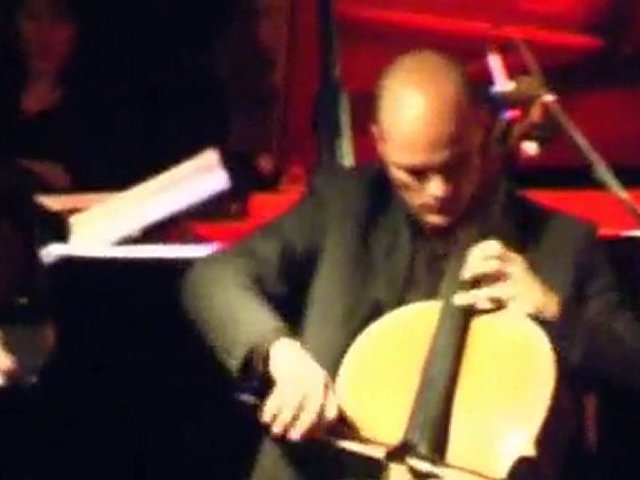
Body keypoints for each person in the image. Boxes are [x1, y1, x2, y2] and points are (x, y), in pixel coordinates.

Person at [181, 49, 640, 479]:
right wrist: (281, 354)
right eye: (414, 174)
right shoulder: (343, 207)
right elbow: (215, 277)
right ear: (379, 142)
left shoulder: (563, 243)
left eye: (454, 165)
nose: (438, 190)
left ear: (482, 128)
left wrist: (554, 312)